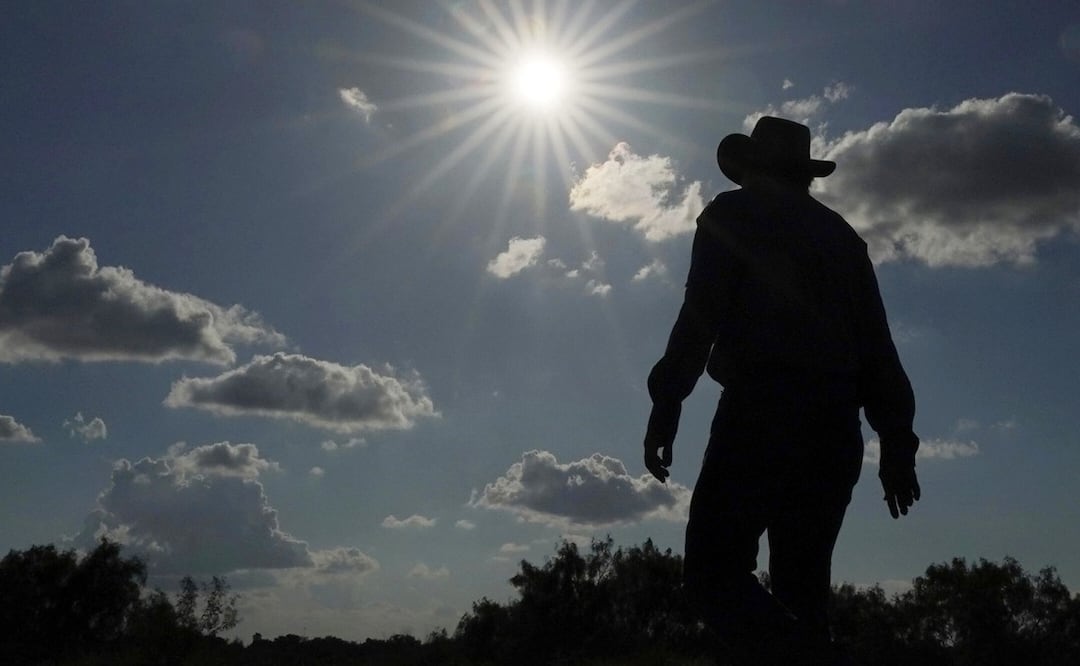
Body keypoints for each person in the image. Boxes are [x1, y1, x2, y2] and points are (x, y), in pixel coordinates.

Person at [643, 117, 920, 665]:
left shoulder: (734, 215)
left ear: (752, 168)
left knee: (712, 576)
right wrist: (897, 442)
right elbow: (878, 349)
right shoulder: (842, 238)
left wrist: (668, 401)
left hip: (761, 417)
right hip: (835, 431)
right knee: (803, 593)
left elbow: (699, 317)